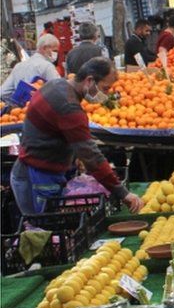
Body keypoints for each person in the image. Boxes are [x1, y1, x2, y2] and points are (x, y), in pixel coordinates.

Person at [10, 58, 143, 215]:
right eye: (105, 88)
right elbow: (91, 155)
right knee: (44, 231)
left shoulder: (56, 85)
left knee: (42, 231)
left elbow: (58, 132)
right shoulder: (69, 106)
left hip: (32, 170)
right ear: (89, 80)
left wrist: (74, 155)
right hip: (39, 177)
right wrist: (122, 192)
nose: (105, 95)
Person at [1, 34, 61, 104]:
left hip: (19, 112)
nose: (56, 54)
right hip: (39, 109)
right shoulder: (47, 66)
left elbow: (3, 92)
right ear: (44, 48)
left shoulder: (19, 66)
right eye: (55, 51)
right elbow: (59, 91)